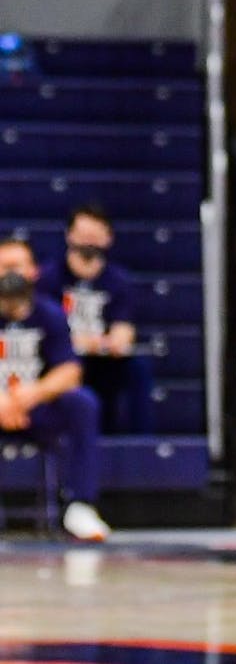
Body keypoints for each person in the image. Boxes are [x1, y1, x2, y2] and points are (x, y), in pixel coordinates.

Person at [0, 238, 111, 541]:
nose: (12, 274)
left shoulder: (49, 313)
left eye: (18, 266)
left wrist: (28, 396)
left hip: (35, 410)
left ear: (34, 271)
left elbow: (70, 371)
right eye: (5, 267)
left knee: (82, 402)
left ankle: (80, 506)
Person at [34, 204, 155, 435]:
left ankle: (142, 445)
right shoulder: (48, 278)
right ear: (69, 235)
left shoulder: (119, 281)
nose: (89, 243)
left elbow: (123, 330)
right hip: (60, 358)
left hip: (101, 358)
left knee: (138, 368)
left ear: (108, 238)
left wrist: (114, 342)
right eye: (83, 235)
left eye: (95, 236)